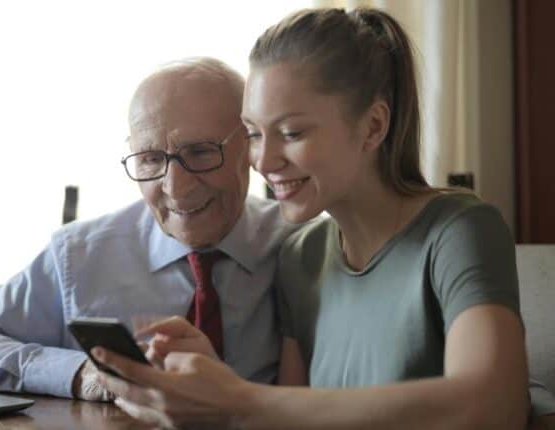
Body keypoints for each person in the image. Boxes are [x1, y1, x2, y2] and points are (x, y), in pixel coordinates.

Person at [94, 8, 555, 429]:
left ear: (374, 126)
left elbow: (493, 407)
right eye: (254, 134)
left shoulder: (458, 229)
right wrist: (210, 384)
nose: (264, 160)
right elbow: (289, 419)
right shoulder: (301, 254)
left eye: (291, 133)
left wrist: (237, 397)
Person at [0, 57, 297, 401]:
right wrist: (78, 373)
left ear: (250, 145)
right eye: (150, 159)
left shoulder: (304, 247)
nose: (175, 187)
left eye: (200, 152)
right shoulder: (81, 255)